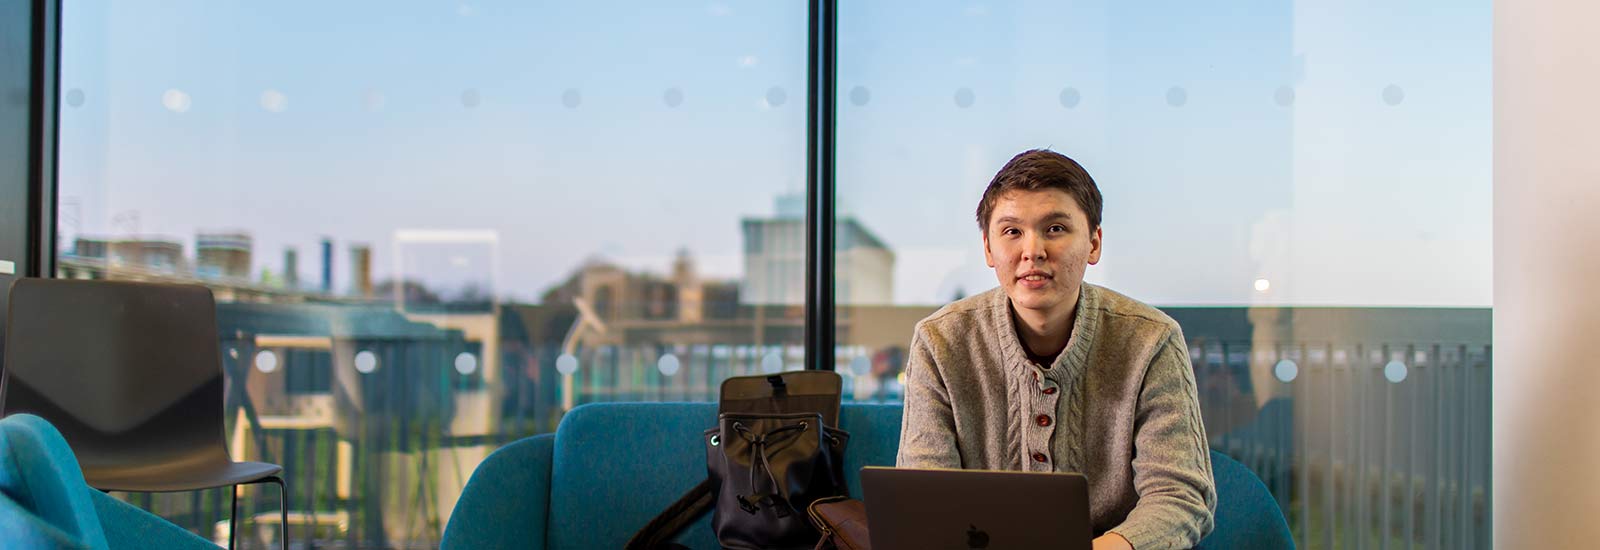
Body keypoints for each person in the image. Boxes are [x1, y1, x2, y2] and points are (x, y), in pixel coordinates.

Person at [896, 149, 1215, 549]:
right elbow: (926, 498)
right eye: (1012, 232)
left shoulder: (1152, 340)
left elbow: (1179, 495)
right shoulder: (940, 342)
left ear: (1094, 243)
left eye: (1056, 229)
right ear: (988, 249)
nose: (1033, 251)